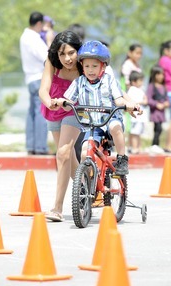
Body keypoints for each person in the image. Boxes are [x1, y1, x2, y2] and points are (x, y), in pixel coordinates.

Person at [56, 41, 140, 177]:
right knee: (84, 152)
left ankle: (122, 159)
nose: (90, 70)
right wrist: (62, 102)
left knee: (115, 127)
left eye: (95, 66)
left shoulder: (109, 80)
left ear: (103, 66)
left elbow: (118, 100)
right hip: (92, 124)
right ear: (82, 66)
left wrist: (128, 105)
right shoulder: (79, 82)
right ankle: (87, 184)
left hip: (109, 118)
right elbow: (68, 102)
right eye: (87, 66)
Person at [38, 30, 84, 222]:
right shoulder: (52, 63)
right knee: (68, 156)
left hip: (74, 110)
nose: (67, 58)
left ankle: (57, 208)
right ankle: (85, 187)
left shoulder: (84, 65)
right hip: (54, 108)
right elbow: (43, 89)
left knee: (63, 153)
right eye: (62, 53)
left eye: (71, 53)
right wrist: (50, 102)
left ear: (78, 51)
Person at [19, 12, 49, 155]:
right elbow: (46, 57)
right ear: (38, 24)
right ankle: (40, 147)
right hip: (38, 77)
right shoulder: (34, 39)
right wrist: (49, 41)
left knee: (32, 112)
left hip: (30, 78)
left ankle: (31, 145)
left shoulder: (24, 37)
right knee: (41, 112)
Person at [146, 65, 169, 153]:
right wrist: (156, 104)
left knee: (160, 129)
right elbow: (149, 99)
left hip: (162, 112)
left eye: (162, 74)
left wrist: (167, 103)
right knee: (157, 128)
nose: (161, 76)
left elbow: (166, 98)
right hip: (155, 112)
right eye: (158, 74)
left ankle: (156, 145)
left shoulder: (163, 87)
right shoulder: (152, 86)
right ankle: (154, 145)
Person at [126, 71, 147, 154]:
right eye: (140, 81)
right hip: (135, 117)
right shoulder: (132, 90)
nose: (142, 83)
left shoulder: (139, 90)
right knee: (135, 132)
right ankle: (134, 147)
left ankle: (137, 147)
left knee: (138, 133)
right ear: (134, 82)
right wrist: (143, 101)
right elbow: (134, 101)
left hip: (140, 117)